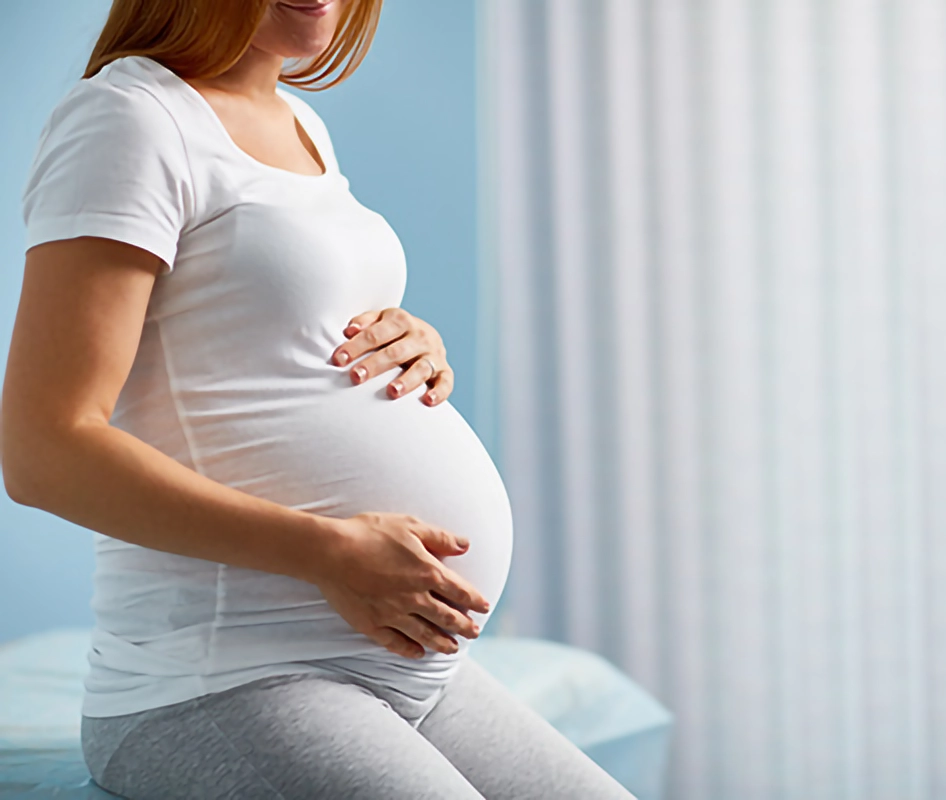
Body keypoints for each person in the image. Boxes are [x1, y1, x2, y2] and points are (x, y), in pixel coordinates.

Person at [2, 1, 636, 797]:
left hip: (410, 673)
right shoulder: (130, 116)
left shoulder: (300, 123)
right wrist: (328, 552)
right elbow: (43, 449)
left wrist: (414, 341)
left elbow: (268, 333)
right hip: (224, 682)